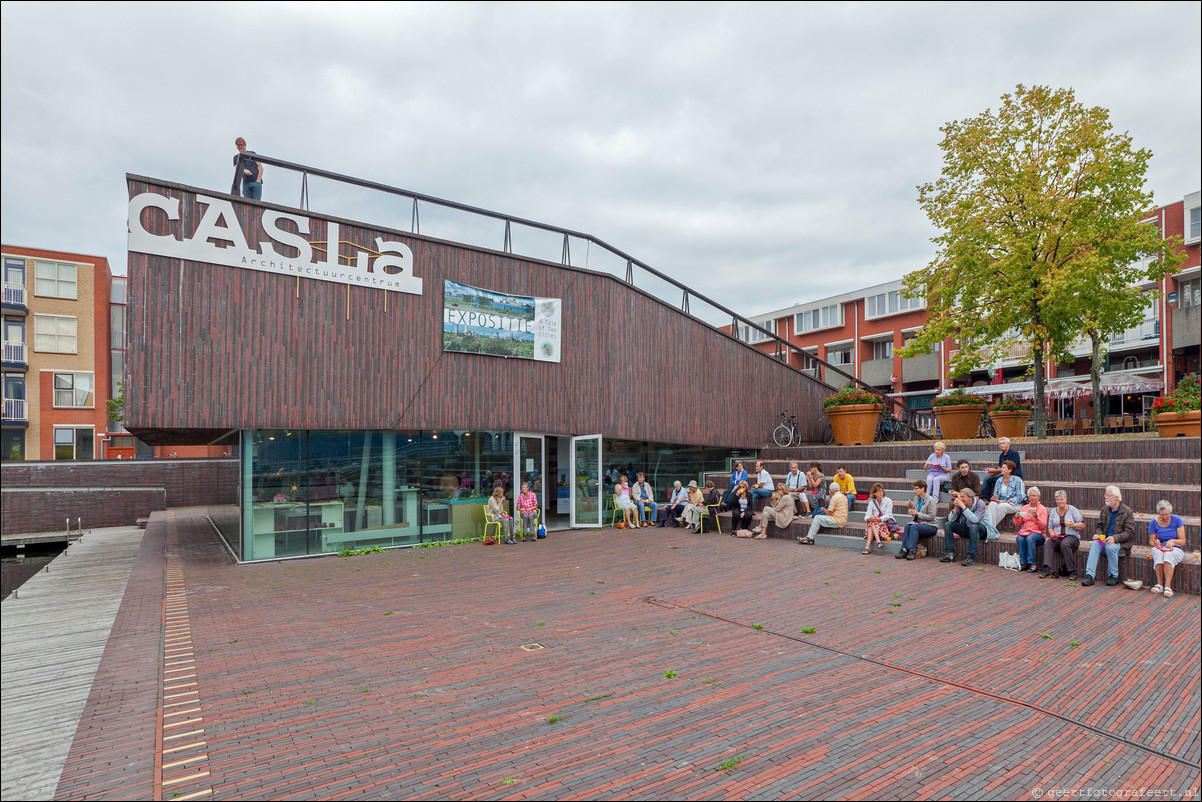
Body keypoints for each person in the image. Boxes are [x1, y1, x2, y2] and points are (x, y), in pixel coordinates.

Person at [1082, 485, 1136, 587]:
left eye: (1109, 495)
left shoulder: (1127, 512)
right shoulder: (1104, 510)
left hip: (1121, 546)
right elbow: (1100, 526)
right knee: (1094, 544)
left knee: (1110, 547)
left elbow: (1130, 532)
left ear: (1117, 498)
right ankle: (1090, 575)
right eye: (1105, 495)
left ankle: (1113, 575)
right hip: (1105, 542)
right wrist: (1098, 534)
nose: (1106, 497)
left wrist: (1115, 538)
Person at [1041, 490, 1085, 579]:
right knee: (1049, 542)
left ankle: (1072, 571)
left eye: (1062, 499)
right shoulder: (1053, 511)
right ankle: (1047, 569)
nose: (1060, 501)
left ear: (1066, 499)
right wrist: (1052, 533)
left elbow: (1082, 525)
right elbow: (1050, 527)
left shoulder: (1072, 510)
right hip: (1058, 537)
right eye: (1058, 499)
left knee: (1065, 544)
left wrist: (1074, 525)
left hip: (1072, 537)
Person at [1148, 500, 1186, 598]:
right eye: (1162, 515)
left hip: (1175, 548)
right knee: (1157, 552)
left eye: (1167, 514)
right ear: (1158, 514)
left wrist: (1173, 541)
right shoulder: (1153, 522)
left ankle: (1168, 586)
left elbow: (1183, 541)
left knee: (1168, 554)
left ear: (1170, 512)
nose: (1164, 517)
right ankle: (1159, 584)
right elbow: (1151, 542)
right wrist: (1156, 543)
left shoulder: (1177, 520)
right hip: (1161, 547)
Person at [940, 488, 988, 566]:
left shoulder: (980, 503)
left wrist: (963, 507)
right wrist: (955, 508)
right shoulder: (962, 505)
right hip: (968, 529)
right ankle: (949, 554)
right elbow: (950, 519)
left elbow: (975, 520)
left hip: (983, 530)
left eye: (963, 497)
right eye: (960, 497)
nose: (960, 499)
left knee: (973, 526)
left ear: (970, 497)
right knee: (948, 524)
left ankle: (971, 557)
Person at [897, 480, 938, 560]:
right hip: (919, 524)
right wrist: (911, 508)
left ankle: (912, 551)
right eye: (914, 489)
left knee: (913, 527)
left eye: (916, 489)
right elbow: (915, 513)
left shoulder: (931, 500)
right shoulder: (916, 498)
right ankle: (904, 550)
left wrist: (918, 513)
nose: (914, 491)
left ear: (923, 489)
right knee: (908, 526)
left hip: (930, 526)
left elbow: (932, 517)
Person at [1012, 486, 1048, 572]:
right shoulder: (1025, 508)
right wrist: (1016, 517)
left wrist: (1037, 517)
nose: (1033, 497)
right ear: (1028, 497)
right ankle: (1023, 563)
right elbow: (1017, 523)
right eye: (1031, 495)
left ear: (1038, 497)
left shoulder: (1042, 509)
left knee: (1030, 538)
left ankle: (1032, 564)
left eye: (1035, 496)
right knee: (1019, 538)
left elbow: (1043, 526)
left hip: (1039, 534)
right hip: (1025, 532)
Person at [980, 437, 1023, 501]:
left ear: (1008, 444)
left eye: (1003, 443)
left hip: (1013, 475)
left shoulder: (1013, 453)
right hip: (1003, 474)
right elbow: (1000, 468)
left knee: (987, 479)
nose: (1001, 445)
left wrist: (994, 470)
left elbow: (1009, 469)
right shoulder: (1001, 455)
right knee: (989, 477)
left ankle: (985, 498)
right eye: (1000, 444)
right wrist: (993, 472)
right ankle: (987, 498)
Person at [985, 460, 1024, 529]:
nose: (1001, 469)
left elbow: (1020, 497)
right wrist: (995, 499)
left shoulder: (1017, 480)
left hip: (1015, 504)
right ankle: (991, 530)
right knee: (992, 504)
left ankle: (988, 529)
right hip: (1001, 502)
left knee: (1002, 506)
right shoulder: (999, 480)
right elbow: (996, 495)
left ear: (1010, 470)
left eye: (1003, 468)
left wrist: (1007, 501)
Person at [862, 483, 897, 554]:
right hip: (875, 525)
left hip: (885, 525)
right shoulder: (872, 502)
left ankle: (867, 547)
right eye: (879, 491)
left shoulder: (888, 501)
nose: (881, 493)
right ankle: (878, 542)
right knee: (871, 522)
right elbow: (867, 515)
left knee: (872, 524)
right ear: (874, 493)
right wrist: (869, 518)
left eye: (882, 491)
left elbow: (888, 515)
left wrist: (879, 519)